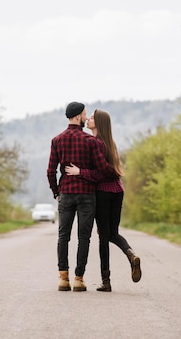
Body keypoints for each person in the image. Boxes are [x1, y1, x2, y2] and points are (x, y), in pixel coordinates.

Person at [65, 109, 141, 292]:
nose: (88, 119)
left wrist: (79, 172)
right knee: (112, 233)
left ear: (97, 123)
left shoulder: (96, 143)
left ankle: (106, 282)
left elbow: (102, 172)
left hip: (103, 192)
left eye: (91, 118)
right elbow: (112, 171)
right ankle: (131, 254)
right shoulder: (111, 143)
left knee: (103, 238)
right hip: (118, 190)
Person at [47, 101, 118, 292]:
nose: (86, 118)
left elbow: (51, 171)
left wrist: (56, 193)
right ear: (78, 116)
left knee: (63, 236)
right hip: (87, 195)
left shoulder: (57, 140)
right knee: (83, 238)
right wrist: (115, 171)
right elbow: (102, 170)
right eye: (85, 114)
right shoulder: (91, 142)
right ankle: (78, 279)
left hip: (66, 194)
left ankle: (63, 279)